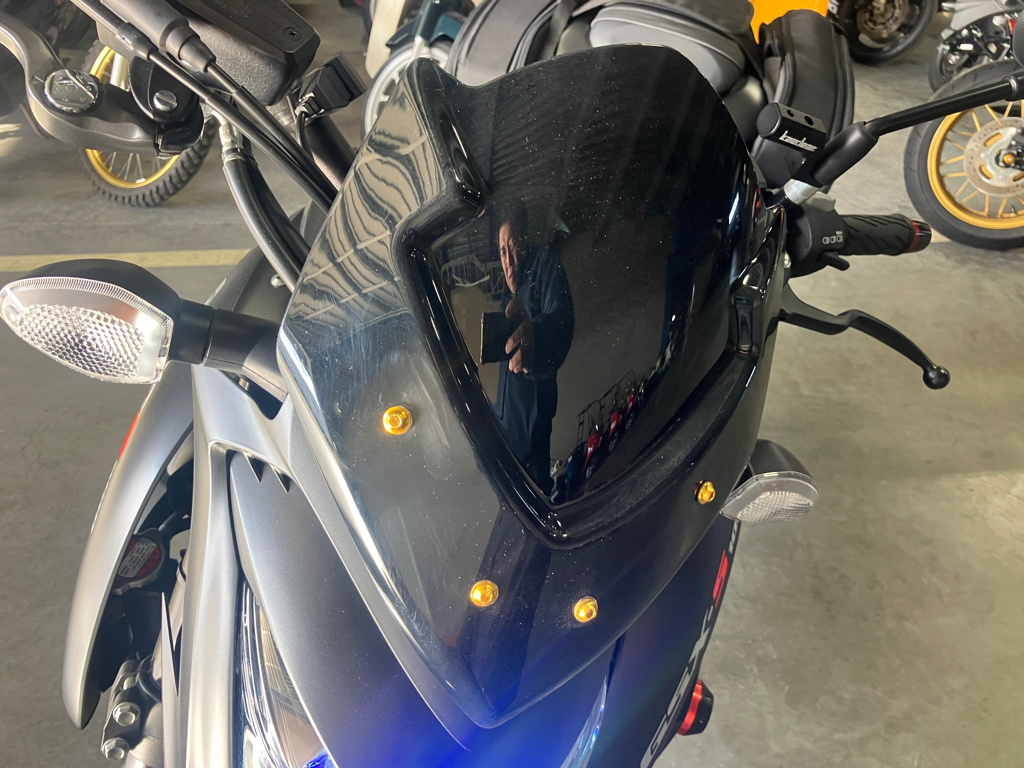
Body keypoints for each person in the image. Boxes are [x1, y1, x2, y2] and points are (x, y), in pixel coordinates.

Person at [492, 199, 574, 494]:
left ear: (526, 240)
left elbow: (562, 320)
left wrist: (536, 336)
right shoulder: (507, 298)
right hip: (508, 440)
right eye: (502, 251)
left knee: (539, 495)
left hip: (533, 431)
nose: (508, 260)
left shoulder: (544, 261)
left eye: (513, 245)